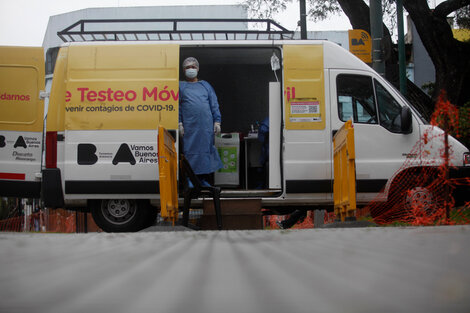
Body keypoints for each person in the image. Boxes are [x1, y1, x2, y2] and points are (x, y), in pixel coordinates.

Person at [179, 57, 223, 186]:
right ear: (183, 70)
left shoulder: (205, 85)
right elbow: (177, 106)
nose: (191, 69)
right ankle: (190, 179)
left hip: (205, 126)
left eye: (193, 67)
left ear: (197, 69)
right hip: (189, 126)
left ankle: (202, 180)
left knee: (205, 152)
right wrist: (179, 123)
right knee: (190, 151)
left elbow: (214, 103)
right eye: (187, 67)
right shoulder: (180, 86)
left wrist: (217, 121)